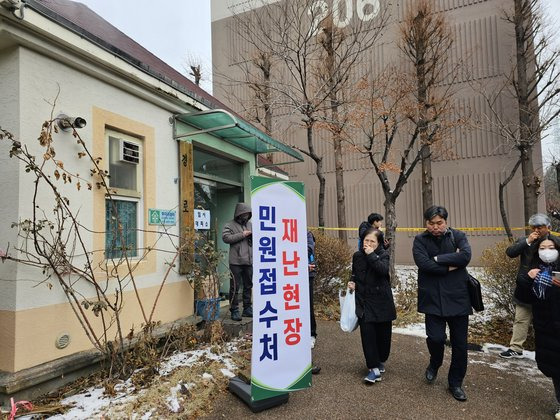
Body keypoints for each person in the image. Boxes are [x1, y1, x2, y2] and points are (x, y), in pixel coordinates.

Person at [412, 205, 472, 402]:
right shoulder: (420, 240)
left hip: (458, 298)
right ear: (426, 223)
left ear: (446, 222)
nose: (436, 227)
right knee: (435, 338)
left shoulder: (458, 236)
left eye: (439, 223)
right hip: (432, 299)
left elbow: (465, 256)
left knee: (460, 345)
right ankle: (435, 362)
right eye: (431, 223)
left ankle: (455, 383)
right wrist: (449, 267)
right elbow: (423, 263)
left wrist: (437, 258)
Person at [516, 235, 560, 419]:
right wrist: (527, 278)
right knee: (556, 369)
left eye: (551, 247)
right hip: (546, 328)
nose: (547, 251)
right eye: (542, 248)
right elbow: (524, 298)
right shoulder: (534, 270)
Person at [348, 227, 396, 384]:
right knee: (367, 336)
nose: (367, 244)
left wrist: (371, 255)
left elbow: (382, 271)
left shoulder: (383, 255)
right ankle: (373, 369)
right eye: (365, 240)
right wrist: (351, 281)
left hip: (382, 302)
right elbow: (354, 272)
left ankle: (380, 359)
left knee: (383, 337)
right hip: (364, 301)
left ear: (379, 243)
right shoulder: (357, 256)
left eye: (372, 241)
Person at [500, 213, 551, 359]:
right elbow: (510, 252)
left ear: (547, 227)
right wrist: (528, 241)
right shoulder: (525, 241)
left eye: (540, 227)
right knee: (520, 319)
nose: (536, 230)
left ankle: (546, 351)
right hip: (524, 287)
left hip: (544, 289)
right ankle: (516, 348)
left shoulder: (554, 242)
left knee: (544, 322)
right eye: (534, 227)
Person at [222, 203, 253, 321]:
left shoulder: (250, 225)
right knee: (234, 286)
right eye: (244, 213)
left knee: (248, 285)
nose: (246, 216)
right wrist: (242, 235)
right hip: (235, 261)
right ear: (238, 214)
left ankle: (247, 308)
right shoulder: (229, 225)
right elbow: (226, 238)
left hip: (249, 261)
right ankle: (234, 310)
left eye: (248, 214)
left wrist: (252, 236)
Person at [308, 231, 321, 375]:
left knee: (307, 308)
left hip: (307, 276)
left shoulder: (306, 234)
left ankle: (311, 334)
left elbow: (309, 249)